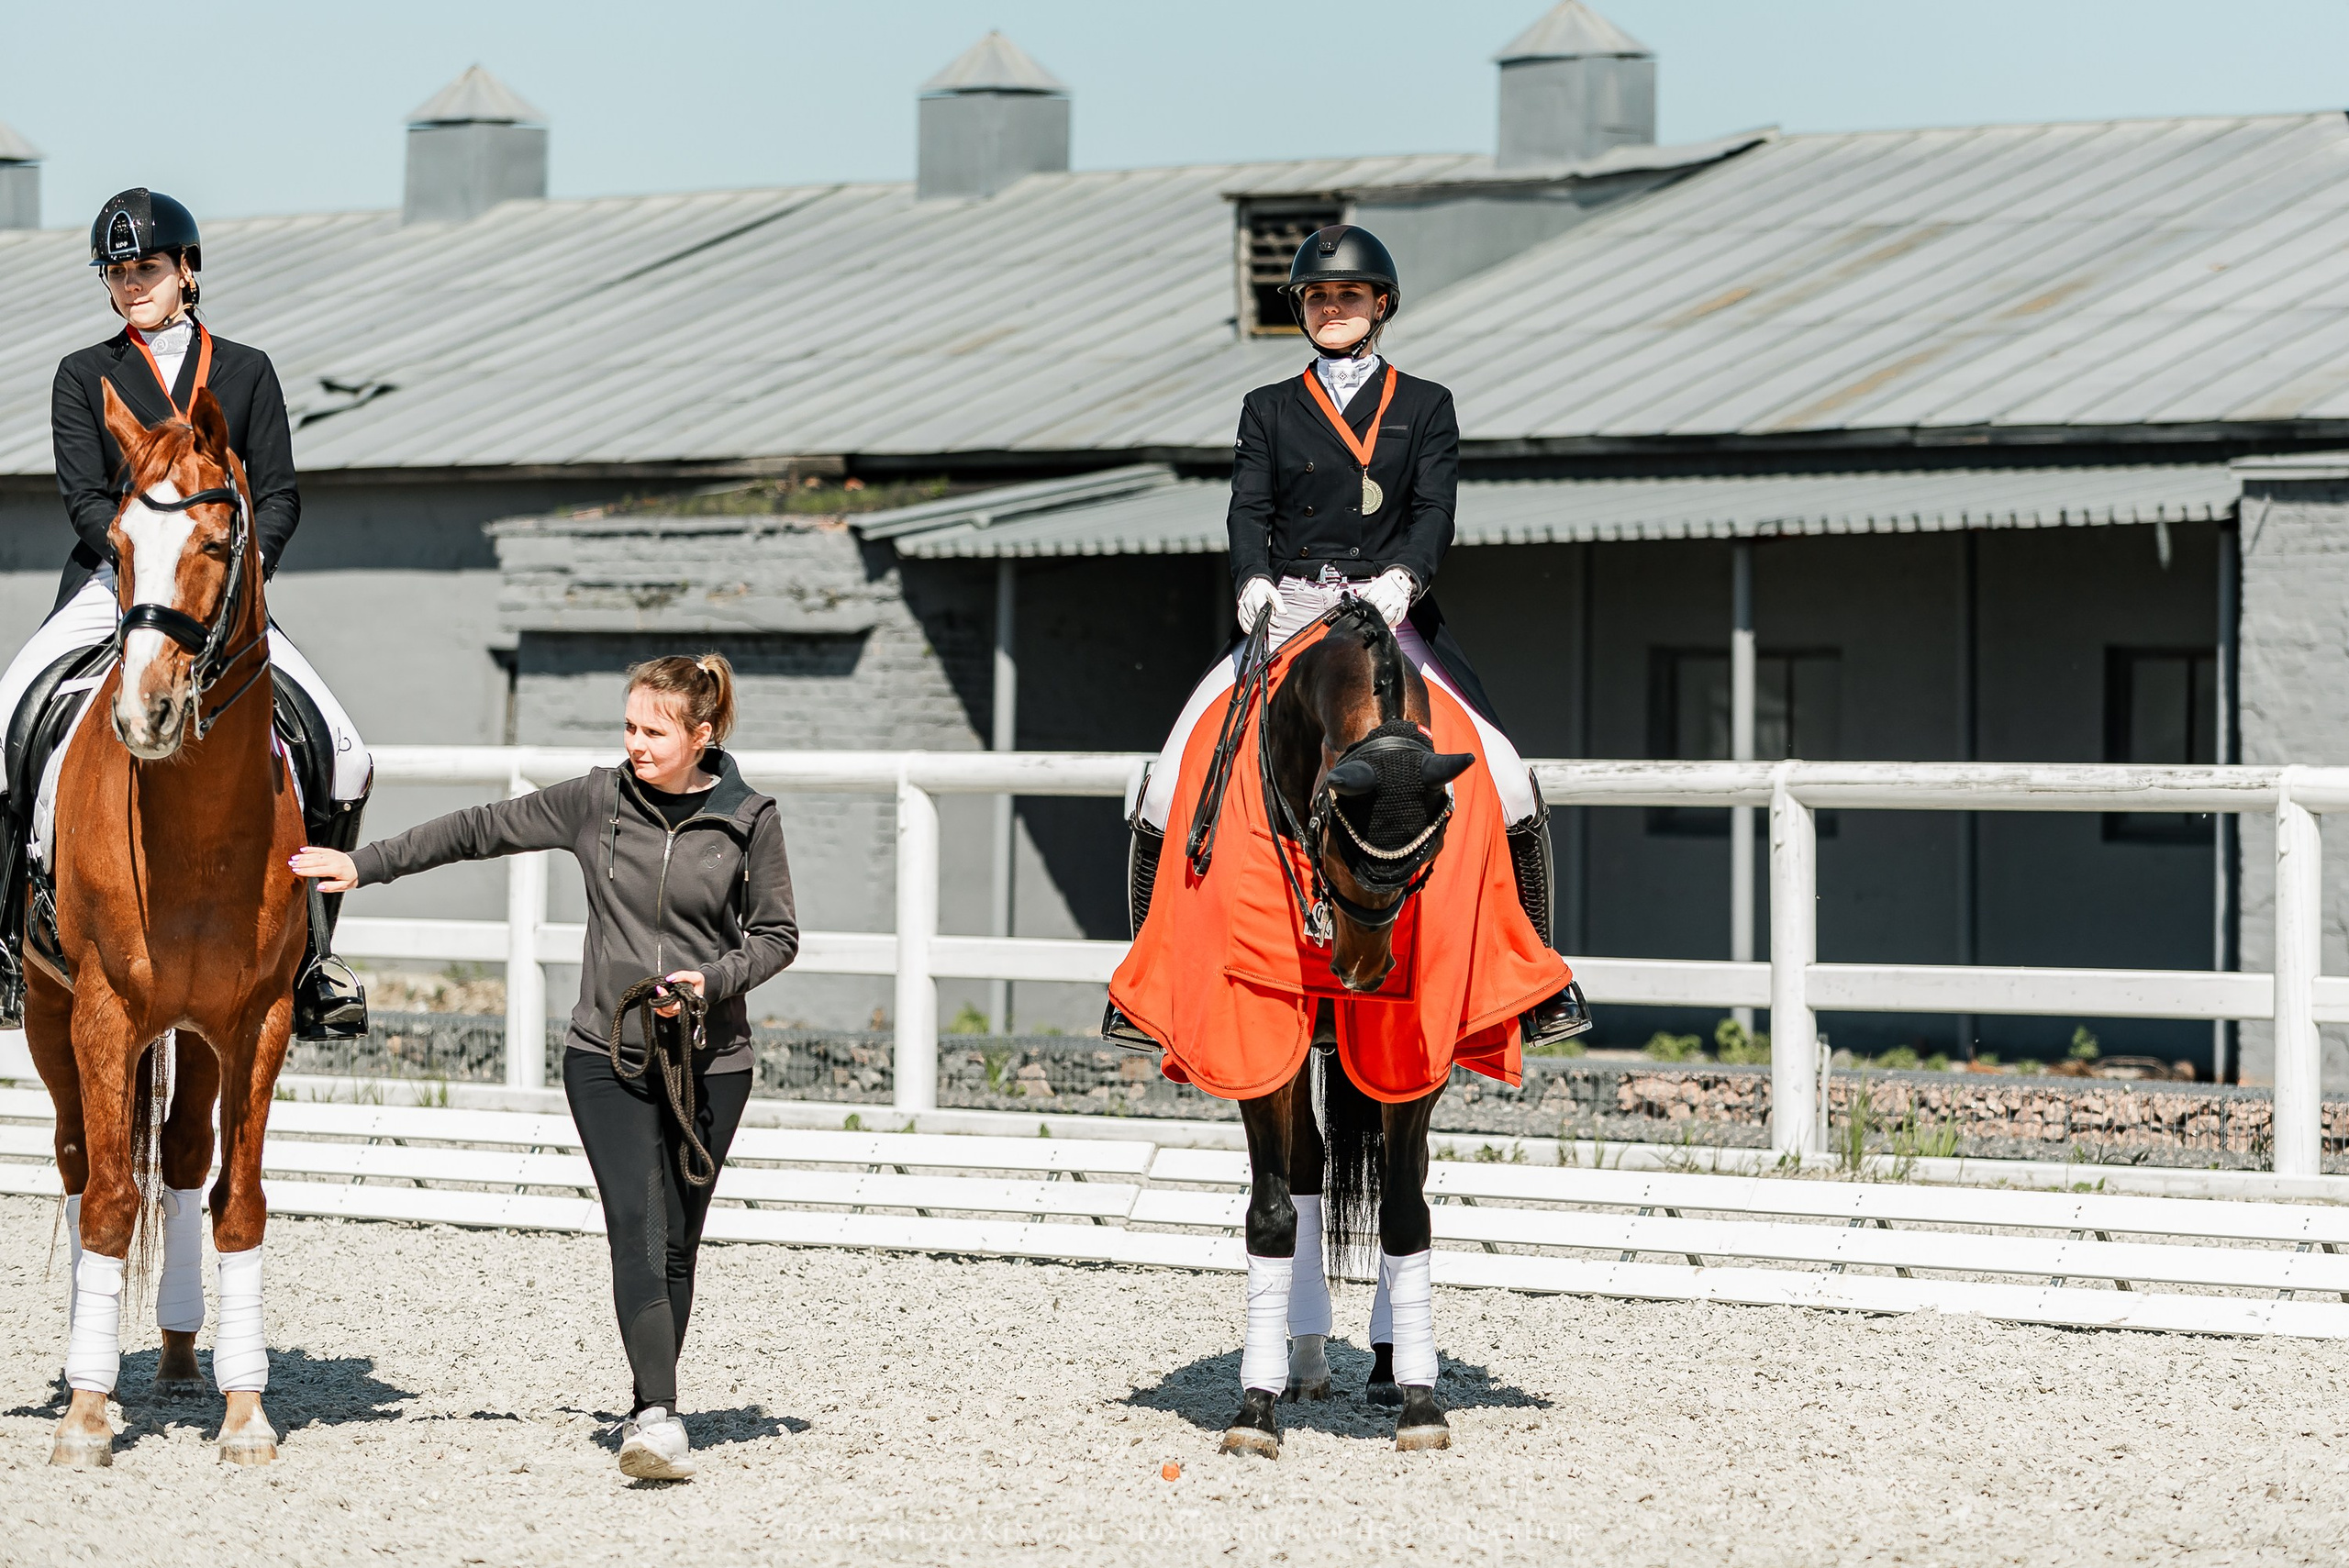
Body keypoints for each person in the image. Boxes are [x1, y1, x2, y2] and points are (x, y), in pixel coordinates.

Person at [292, 653, 798, 1482]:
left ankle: (648, 1396)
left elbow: (777, 934)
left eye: (653, 730)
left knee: (678, 1242)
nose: (634, 742)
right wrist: (364, 864)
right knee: (637, 1224)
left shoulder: (749, 816)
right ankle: (660, 1418)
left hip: (713, 1061)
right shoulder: (597, 799)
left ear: (701, 734)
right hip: (607, 1052)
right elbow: (479, 829)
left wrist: (713, 980)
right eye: (629, 725)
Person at [1112, 223, 1585, 1046]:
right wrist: (1253, 581)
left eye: (1349, 296)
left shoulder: (1426, 405)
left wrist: (1404, 577)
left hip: (1388, 613)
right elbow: (1247, 509)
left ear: (1381, 305)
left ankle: (1536, 981)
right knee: (1164, 782)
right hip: (1289, 605)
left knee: (1507, 779)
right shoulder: (1268, 408)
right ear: (1303, 308)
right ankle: (1145, 988)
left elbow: (1435, 509)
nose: (1333, 308)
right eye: (1319, 297)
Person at [0, 187, 371, 1037]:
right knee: (4, 720)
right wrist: (143, 565)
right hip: (114, 587)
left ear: (188, 272)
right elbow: (84, 498)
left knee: (347, 752)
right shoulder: (83, 374)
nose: (132, 285)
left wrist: (242, 572)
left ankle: (312, 960)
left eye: (148, 269)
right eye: (118, 272)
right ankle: (5, 939)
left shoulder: (246, 371)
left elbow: (278, 495)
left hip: (222, 593)